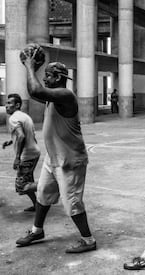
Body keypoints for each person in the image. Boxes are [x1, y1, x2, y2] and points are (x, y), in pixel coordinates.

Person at [17, 50, 96, 253]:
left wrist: (29, 66)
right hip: (53, 159)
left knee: (72, 203)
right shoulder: (53, 97)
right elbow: (34, 90)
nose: (44, 78)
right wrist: (32, 69)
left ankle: (88, 240)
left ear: (59, 78)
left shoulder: (65, 95)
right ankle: (37, 230)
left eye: (48, 75)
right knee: (43, 195)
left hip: (70, 161)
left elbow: (36, 91)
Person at [2, 93, 40, 212]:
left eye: (9, 103)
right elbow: (25, 134)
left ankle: (51, 184)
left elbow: (22, 136)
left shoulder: (13, 118)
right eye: (6, 103)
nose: (6, 106)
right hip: (34, 152)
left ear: (17, 105)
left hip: (27, 155)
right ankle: (37, 205)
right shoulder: (24, 116)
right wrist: (10, 141)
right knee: (28, 182)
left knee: (22, 186)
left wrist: (17, 158)